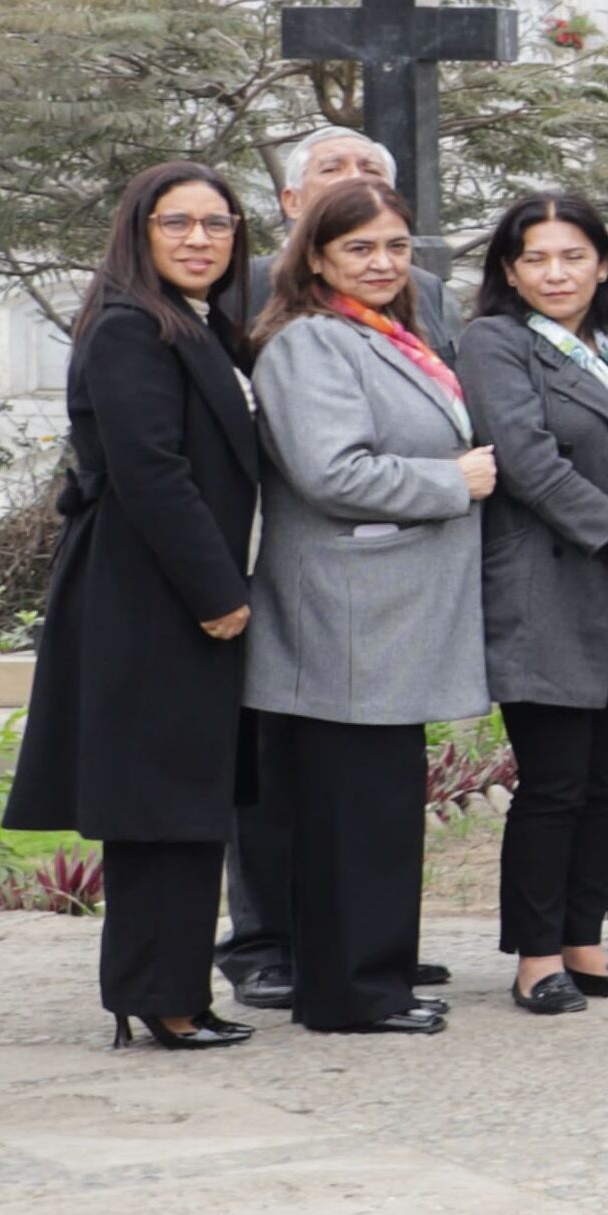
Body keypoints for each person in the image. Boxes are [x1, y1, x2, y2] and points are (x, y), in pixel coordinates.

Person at [210, 126, 451, 1014]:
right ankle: (352, 990)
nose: (383, 261)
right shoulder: (311, 340)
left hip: (388, 610)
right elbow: (330, 471)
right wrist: (451, 482)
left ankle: (367, 975)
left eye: (395, 244)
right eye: (360, 247)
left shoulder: (396, 326)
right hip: (345, 606)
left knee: (375, 808)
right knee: (350, 811)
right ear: (310, 251)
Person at [21, 166, 263, 1048]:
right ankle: (158, 996)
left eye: (218, 223)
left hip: (174, 588)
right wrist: (217, 593)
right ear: (140, 230)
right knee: (159, 800)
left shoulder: (200, 326)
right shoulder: (130, 327)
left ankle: (172, 991)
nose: (200, 238)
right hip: (151, 591)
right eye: (178, 223)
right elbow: (150, 471)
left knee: (186, 797)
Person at [454, 190, 608, 1015]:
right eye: (536, 258)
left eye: (573, 255)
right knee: (556, 782)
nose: (556, 272)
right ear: (510, 270)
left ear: (605, 263)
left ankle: (585, 942)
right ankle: (535, 956)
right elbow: (525, 458)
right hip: (551, 590)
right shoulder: (495, 341)